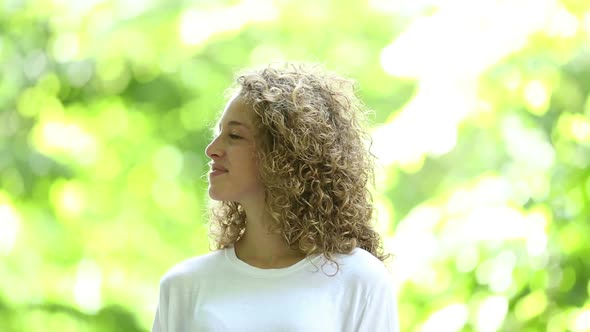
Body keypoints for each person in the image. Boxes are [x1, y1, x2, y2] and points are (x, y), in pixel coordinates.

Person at [151, 62, 399, 332]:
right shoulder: (183, 285)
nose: (212, 149)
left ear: (285, 154)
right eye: (218, 133)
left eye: (234, 135)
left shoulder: (360, 279)